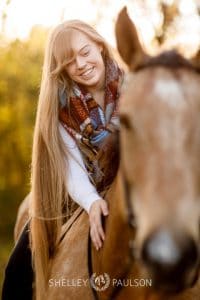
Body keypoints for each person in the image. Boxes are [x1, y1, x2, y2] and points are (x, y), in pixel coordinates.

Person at [2, 19, 123, 300]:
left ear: (100, 47)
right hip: (76, 194)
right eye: (70, 61)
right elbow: (72, 169)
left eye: (85, 52)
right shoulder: (61, 111)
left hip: (129, 183)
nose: (80, 64)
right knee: (16, 270)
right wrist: (92, 201)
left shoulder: (136, 89)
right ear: (62, 69)